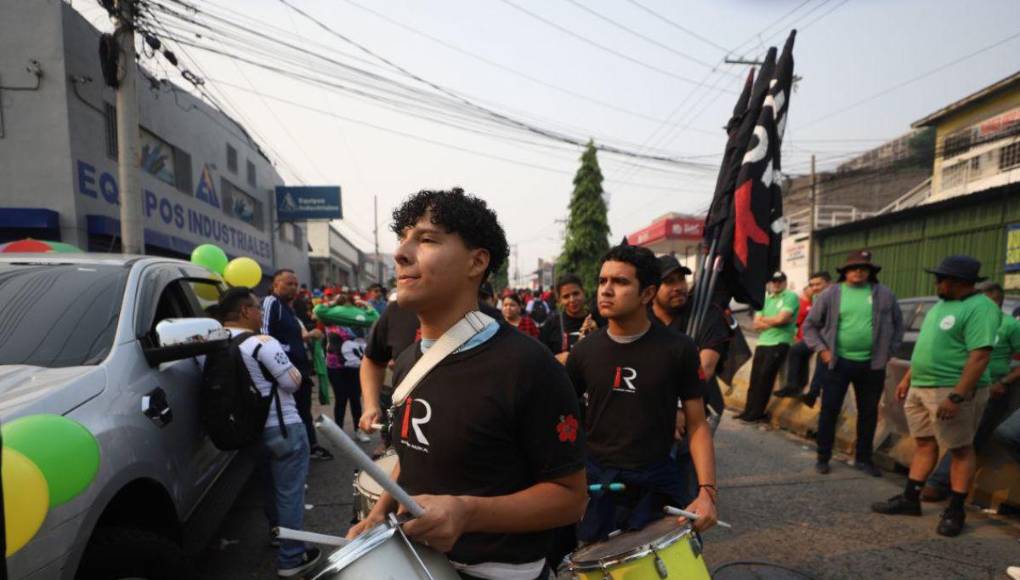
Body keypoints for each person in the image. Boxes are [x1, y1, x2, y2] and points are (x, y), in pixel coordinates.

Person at [347, 188, 586, 580]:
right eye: (403, 239)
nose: (401, 253)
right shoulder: (408, 363)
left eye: (426, 239)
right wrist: (378, 515)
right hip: (418, 564)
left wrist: (467, 512)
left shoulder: (528, 366)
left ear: (476, 262)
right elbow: (411, 458)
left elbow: (570, 499)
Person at [568, 244, 718, 542]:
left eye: (621, 282)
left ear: (647, 294)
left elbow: (698, 424)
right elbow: (564, 420)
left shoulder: (679, 349)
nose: (606, 291)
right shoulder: (584, 352)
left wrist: (707, 492)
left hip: (657, 481)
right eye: (602, 281)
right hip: (598, 484)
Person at [872, 255, 1000, 537]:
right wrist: (908, 378)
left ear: (958, 282)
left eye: (941, 278)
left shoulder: (981, 308)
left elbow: (979, 357)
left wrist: (956, 397)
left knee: (961, 449)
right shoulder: (942, 305)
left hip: (950, 390)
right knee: (924, 444)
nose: (936, 283)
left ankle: (955, 510)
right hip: (922, 386)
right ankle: (910, 498)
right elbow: (926, 348)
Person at [213, 287, 321, 578]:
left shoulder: (214, 344)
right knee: (290, 493)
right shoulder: (262, 342)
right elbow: (292, 382)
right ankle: (291, 559)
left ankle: (278, 533)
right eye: (257, 308)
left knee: (269, 486)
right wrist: (294, 373)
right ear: (246, 312)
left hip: (247, 431)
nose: (261, 313)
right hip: (283, 426)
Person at [802, 251, 903, 476]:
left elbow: (898, 325)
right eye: (853, 268)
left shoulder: (884, 294)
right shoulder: (831, 294)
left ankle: (864, 458)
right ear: (845, 272)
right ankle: (823, 457)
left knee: (868, 413)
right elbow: (809, 326)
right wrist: (823, 350)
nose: (858, 271)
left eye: (863, 268)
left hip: (872, 365)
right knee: (830, 410)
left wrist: (889, 352)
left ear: (870, 272)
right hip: (837, 363)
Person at [923, 281, 1020, 500]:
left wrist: (1004, 381)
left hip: (990, 391)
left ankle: (939, 484)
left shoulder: (1010, 326)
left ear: (996, 302)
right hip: (960, 386)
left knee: (967, 440)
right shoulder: (966, 319)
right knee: (953, 437)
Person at [262, 270, 333, 461]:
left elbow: (293, 337)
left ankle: (310, 447)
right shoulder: (272, 303)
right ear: (275, 285)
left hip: (299, 371)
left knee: (304, 412)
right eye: (288, 283)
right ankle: (297, 451)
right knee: (293, 414)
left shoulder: (289, 309)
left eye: (295, 283)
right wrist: (284, 357)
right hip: (284, 372)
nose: (293, 287)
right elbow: (265, 336)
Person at [650, 255, 730, 422]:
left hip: (698, 405)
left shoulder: (705, 313)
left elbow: (705, 368)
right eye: (669, 281)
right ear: (652, 289)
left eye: (681, 279)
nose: (679, 287)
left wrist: (679, 406)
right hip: (653, 404)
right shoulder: (643, 317)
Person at [738, 271, 799, 423]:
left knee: (765, 378)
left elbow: (782, 319)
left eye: (779, 281)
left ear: (784, 282)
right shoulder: (765, 298)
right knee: (755, 378)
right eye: (774, 281)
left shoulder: (790, 297)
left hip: (780, 342)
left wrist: (766, 320)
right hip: (763, 342)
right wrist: (773, 321)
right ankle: (747, 411)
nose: (776, 284)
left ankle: (757, 413)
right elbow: (756, 323)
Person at [775, 271, 832, 401]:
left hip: (832, 340)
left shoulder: (835, 297)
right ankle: (793, 386)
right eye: (812, 285)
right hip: (818, 337)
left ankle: (813, 393)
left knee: (821, 358)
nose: (815, 288)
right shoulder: (818, 299)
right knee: (796, 350)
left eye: (818, 284)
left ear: (828, 283)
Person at [323, 294, 372, 443]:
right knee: (341, 399)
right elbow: (317, 311)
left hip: (355, 366)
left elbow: (373, 316)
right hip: (335, 367)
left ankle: (359, 430)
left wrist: (364, 304)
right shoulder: (330, 319)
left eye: (349, 305)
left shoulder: (359, 321)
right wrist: (331, 304)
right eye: (343, 305)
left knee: (355, 399)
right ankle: (338, 433)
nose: (346, 309)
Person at [539, 274, 598, 365]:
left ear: (583, 292)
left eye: (576, 293)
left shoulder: (598, 319)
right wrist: (555, 360)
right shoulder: (551, 324)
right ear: (560, 300)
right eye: (566, 296)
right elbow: (540, 359)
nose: (572, 299)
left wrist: (598, 334)